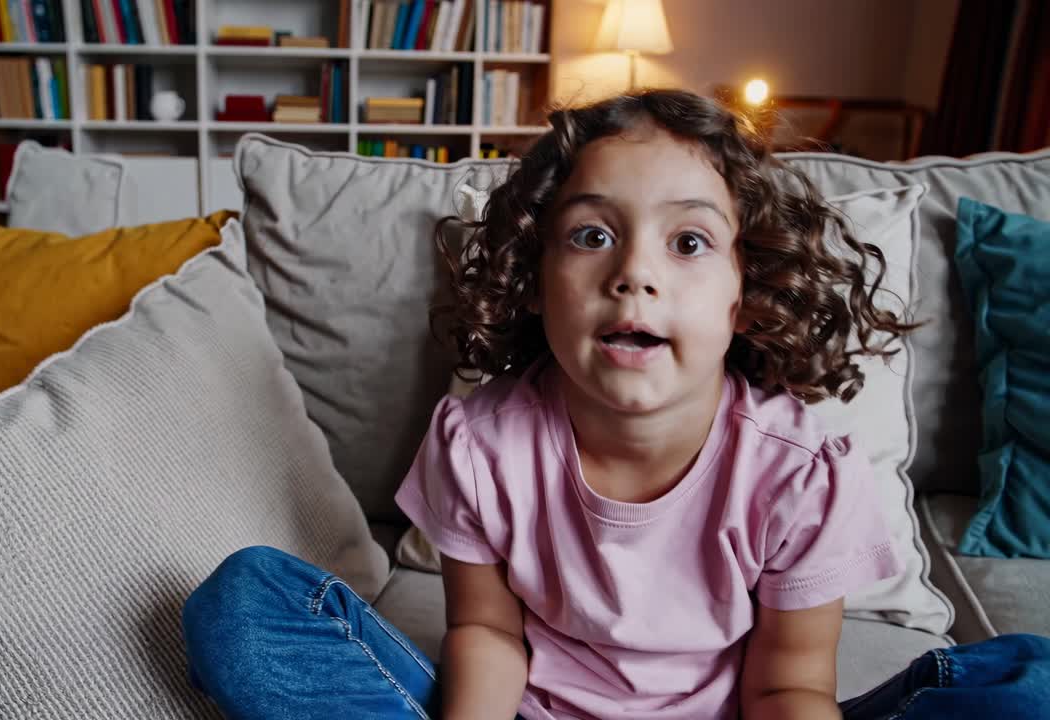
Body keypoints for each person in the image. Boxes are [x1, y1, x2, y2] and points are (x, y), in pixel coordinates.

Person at [181, 89, 1050, 719]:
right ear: (533, 282)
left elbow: (788, 687)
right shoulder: (481, 443)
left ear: (746, 296)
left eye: (689, 242)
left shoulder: (801, 472)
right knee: (245, 602)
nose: (634, 272)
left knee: (1030, 682)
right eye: (592, 235)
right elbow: (487, 637)